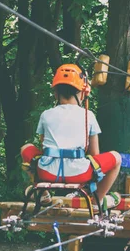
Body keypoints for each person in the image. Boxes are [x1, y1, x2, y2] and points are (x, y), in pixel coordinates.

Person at [20, 64, 122, 208]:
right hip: (79, 174)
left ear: (56, 93)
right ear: (82, 92)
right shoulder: (89, 115)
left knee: (26, 147)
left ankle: (42, 194)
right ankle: (97, 200)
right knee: (116, 157)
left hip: (47, 173)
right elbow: (95, 154)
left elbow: (43, 149)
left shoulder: (46, 115)